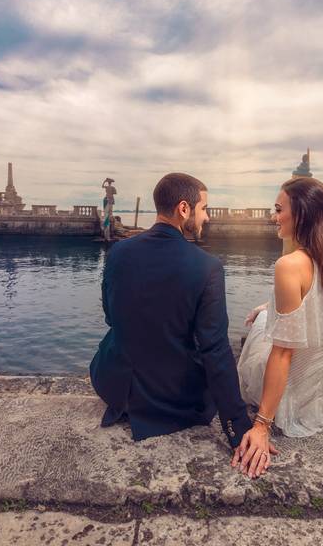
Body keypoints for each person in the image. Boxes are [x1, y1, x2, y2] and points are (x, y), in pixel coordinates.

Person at [90, 172, 253, 449]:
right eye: (204, 209)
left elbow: (110, 315)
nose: (207, 217)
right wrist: (237, 426)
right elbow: (214, 349)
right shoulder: (207, 267)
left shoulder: (118, 252)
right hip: (173, 399)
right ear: (183, 208)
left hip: (112, 384)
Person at [233, 177, 323, 478]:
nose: (274, 217)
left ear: (300, 213)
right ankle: (265, 310)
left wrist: (261, 425)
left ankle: (264, 314)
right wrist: (270, 305)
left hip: (294, 395)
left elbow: (284, 352)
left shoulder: (288, 265)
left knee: (263, 325)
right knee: (267, 314)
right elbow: (319, 307)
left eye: (278, 209)